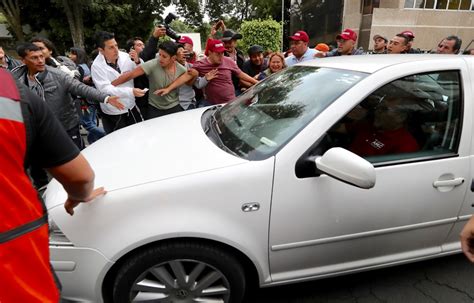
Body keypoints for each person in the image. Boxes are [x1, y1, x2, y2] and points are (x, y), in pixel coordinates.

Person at [0, 68, 105, 303]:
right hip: (14, 266)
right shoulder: (10, 91)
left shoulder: (52, 77)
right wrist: (79, 195)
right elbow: (79, 175)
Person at [157, 39, 259, 106]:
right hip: (211, 104)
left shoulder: (228, 61)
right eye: (217, 53)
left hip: (230, 103)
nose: (221, 56)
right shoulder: (200, 64)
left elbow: (241, 74)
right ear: (210, 52)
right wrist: (168, 88)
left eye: (222, 53)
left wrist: (257, 83)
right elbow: (187, 76)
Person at [111, 41, 196, 119]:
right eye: (159, 55)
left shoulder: (182, 70)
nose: (160, 59)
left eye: (164, 56)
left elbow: (190, 82)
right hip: (154, 108)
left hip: (174, 107)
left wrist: (195, 75)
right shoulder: (152, 64)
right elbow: (129, 75)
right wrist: (108, 86)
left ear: (173, 58)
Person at [91, 31, 146, 133]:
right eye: (111, 47)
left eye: (116, 45)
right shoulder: (96, 66)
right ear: (101, 50)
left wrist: (137, 61)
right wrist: (130, 91)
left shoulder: (125, 56)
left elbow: (140, 69)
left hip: (131, 105)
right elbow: (105, 89)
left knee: (139, 134)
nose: (116, 50)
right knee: (119, 141)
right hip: (114, 110)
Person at [345, 97, 419, 157]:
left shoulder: (406, 145)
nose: (377, 112)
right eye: (378, 107)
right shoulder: (369, 125)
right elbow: (341, 128)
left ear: (400, 117)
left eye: (384, 109)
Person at [69, 47, 106, 144]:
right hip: (92, 99)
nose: (70, 56)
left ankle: (108, 134)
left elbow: (79, 86)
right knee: (92, 122)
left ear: (78, 55)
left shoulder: (79, 68)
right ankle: (93, 142)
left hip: (85, 100)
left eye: (72, 54)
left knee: (87, 124)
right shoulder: (86, 66)